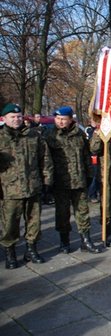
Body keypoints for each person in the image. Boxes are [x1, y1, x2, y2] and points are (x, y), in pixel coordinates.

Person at [0, 103, 53, 269]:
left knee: (34, 222)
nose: (16, 119)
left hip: (33, 186)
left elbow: (45, 158)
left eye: (18, 116)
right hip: (9, 190)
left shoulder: (34, 135)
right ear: (4, 119)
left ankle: (31, 249)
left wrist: (47, 180)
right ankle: (10, 253)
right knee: (9, 224)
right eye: (12, 117)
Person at [45, 106, 102, 254]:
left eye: (63, 119)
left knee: (83, 212)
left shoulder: (79, 134)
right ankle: (64, 241)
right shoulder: (49, 135)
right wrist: (48, 182)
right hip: (60, 183)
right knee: (62, 214)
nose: (60, 122)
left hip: (79, 180)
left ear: (71, 120)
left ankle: (86, 240)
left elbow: (87, 156)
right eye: (57, 119)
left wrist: (90, 175)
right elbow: (45, 160)